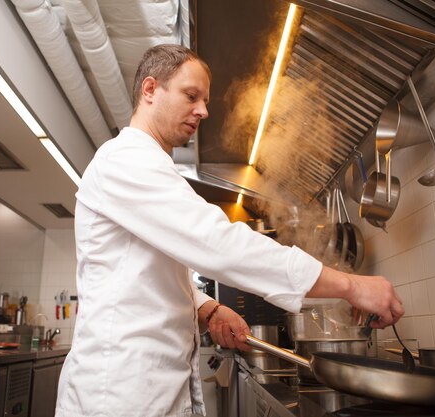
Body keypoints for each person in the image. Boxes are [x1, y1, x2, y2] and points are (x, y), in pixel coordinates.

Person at [55, 44, 404, 417]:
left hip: (149, 392)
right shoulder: (125, 161)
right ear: (150, 90)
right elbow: (218, 244)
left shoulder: (150, 166)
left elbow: (150, 275)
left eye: (204, 100)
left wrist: (209, 309)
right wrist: (352, 285)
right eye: (191, 96)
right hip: (120, 396)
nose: (204, 110)